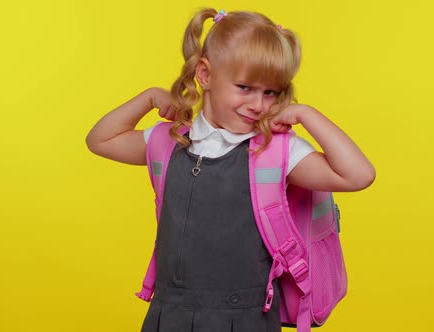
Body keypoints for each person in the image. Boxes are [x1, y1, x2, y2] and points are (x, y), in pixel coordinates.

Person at [86, 8, 375, 332]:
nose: (258, 104)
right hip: (168, 317)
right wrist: (149, 98)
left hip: (247, 320)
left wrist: (307, 115)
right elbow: (100, 140)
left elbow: (358, 175)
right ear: (205, 75)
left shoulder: (277, 151)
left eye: (270, 93)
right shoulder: (168, 143)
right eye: (245, 87)